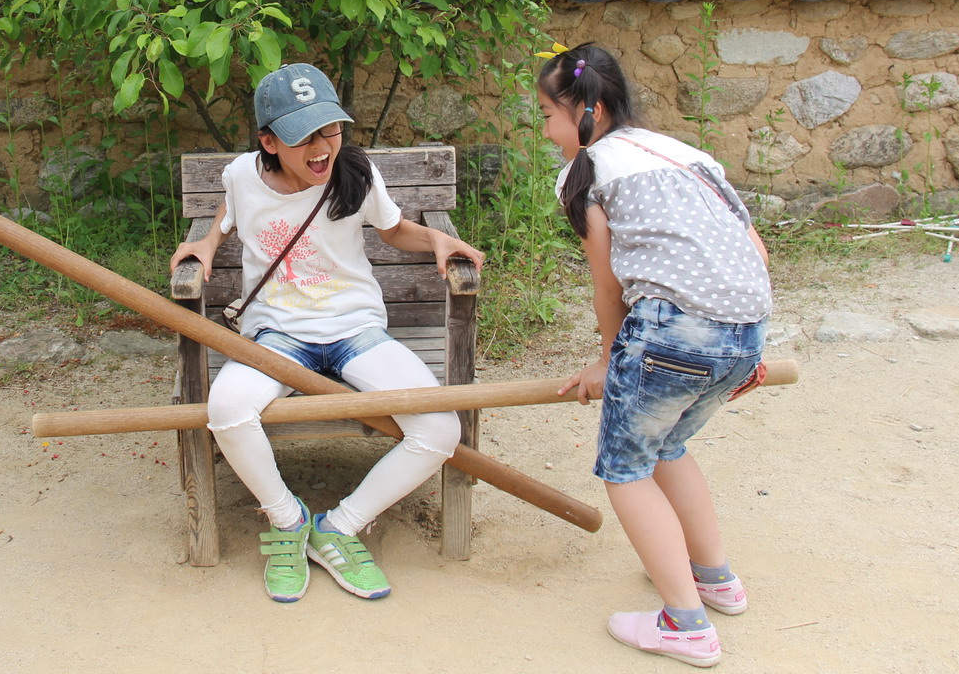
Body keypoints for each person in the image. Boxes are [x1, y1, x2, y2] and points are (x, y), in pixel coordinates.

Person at [169, 63, 485, 602]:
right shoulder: (244, 174)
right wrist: (206, 241)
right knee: (226, 409)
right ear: (268, 141)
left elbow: (391, 229)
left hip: (354, 328)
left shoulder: (354, 174)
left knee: (439, 428)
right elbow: (230, 208)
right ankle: (288, 520)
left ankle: (337, 527)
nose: (321, 148)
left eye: (330, 130)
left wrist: (435, 240)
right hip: (276, 335)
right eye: (303, 137)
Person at [538, 43, 771, 668]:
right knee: (667, 447)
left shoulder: (586, 172)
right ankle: (714, 580)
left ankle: (686, 625)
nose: (544, 129)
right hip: (744, 329)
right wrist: (747, 348)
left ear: (586, 111)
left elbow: (608, 281)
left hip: (670, 335)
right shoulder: (689, 155)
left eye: (547, 114)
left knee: (626, 469)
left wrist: (611, 359)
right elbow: (756, 253)